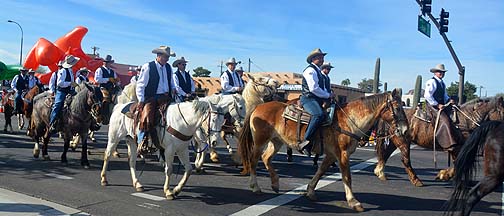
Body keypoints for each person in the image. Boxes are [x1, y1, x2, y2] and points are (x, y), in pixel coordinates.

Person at [136, 45, 177, 151]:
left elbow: (171, 82)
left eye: (168, 57)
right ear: (158, 56)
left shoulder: (168, 67)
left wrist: (173, 88)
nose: (167, 59)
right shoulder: (148, 66)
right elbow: (141, 85)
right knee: (148, 117)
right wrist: (141, 100)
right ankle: (142, 140)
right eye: (165, 57)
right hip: (152, 97)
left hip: (166, 97)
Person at [299, 48, 333, 156]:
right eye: (320, 57)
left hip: (316, 99)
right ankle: (306, 141)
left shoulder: (317, 70)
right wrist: (328, 95)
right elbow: (313, 88)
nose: (322, 59)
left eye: (322, 57)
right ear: (313, 59)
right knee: (318, 115)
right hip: (308, 98)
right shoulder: (310, 70)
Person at [424, 63, 457, 150]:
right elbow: (427, 95)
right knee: (445, 120)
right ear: (435, 72)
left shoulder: (442, 83)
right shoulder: (431, 82)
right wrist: (437, 104)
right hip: (432, 106)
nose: (441, 73)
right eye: (439, 72)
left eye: (442, 72)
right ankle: (447, 143)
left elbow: (444, 95)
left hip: (441, 105)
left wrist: (449, 100)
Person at [49, 55, 80, 133]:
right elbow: (59, 83)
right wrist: (70, 83)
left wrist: (74, 85)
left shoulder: (70, 70)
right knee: (57, 105)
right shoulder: (63, 71)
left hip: (70, 91)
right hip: (62, 91)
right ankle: (52, 123)